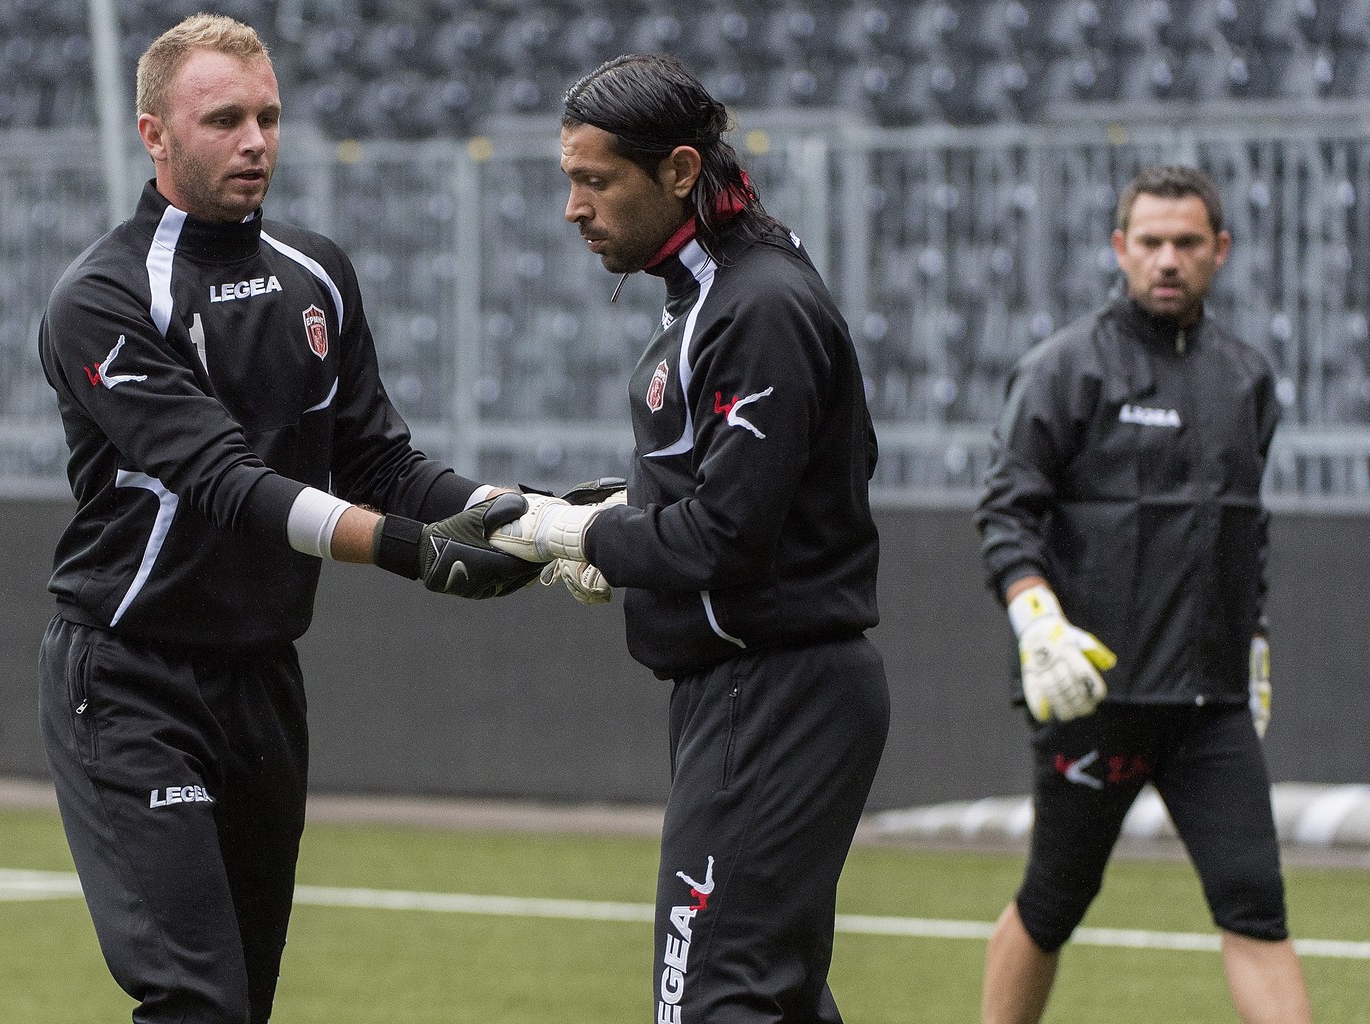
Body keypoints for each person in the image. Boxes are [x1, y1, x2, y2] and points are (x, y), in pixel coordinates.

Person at [35, 14, 538, 1023]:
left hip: (263, 682)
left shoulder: (317, 272)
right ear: (155, 135)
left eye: (268, 115)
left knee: (244, 1002)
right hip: (133, 680)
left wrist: (534, 522)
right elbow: (225, 481)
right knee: (197, 997)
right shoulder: (102, 298)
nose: (256, 139)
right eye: (224, 119)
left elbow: (381, 458)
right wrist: (409, 553)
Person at [490, 53, 891, 1024]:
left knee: (710, 999)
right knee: (773, 1000)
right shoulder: (720, 296)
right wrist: (611, 525)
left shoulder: (756, 305)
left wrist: (578, 532)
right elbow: (731, 492)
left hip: (773, 692)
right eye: (569, 181)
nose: (575, 208)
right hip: (752, 692)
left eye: (596, 181)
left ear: (677, 170)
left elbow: (726, 536)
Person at [974, 165, 1312, 1024]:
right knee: (1053, 903)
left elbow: (1249, 527)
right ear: (1120, 249)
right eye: (1151, 242)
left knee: (1256, 904)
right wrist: (1034, 615)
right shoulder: (1064, 368)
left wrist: (1256, 633)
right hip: (1096, 698)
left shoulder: (1248, 379)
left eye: (1187, 243)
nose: (1168, 258)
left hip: (1211, 708)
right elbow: (1007, 510)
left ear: (1220, 251)